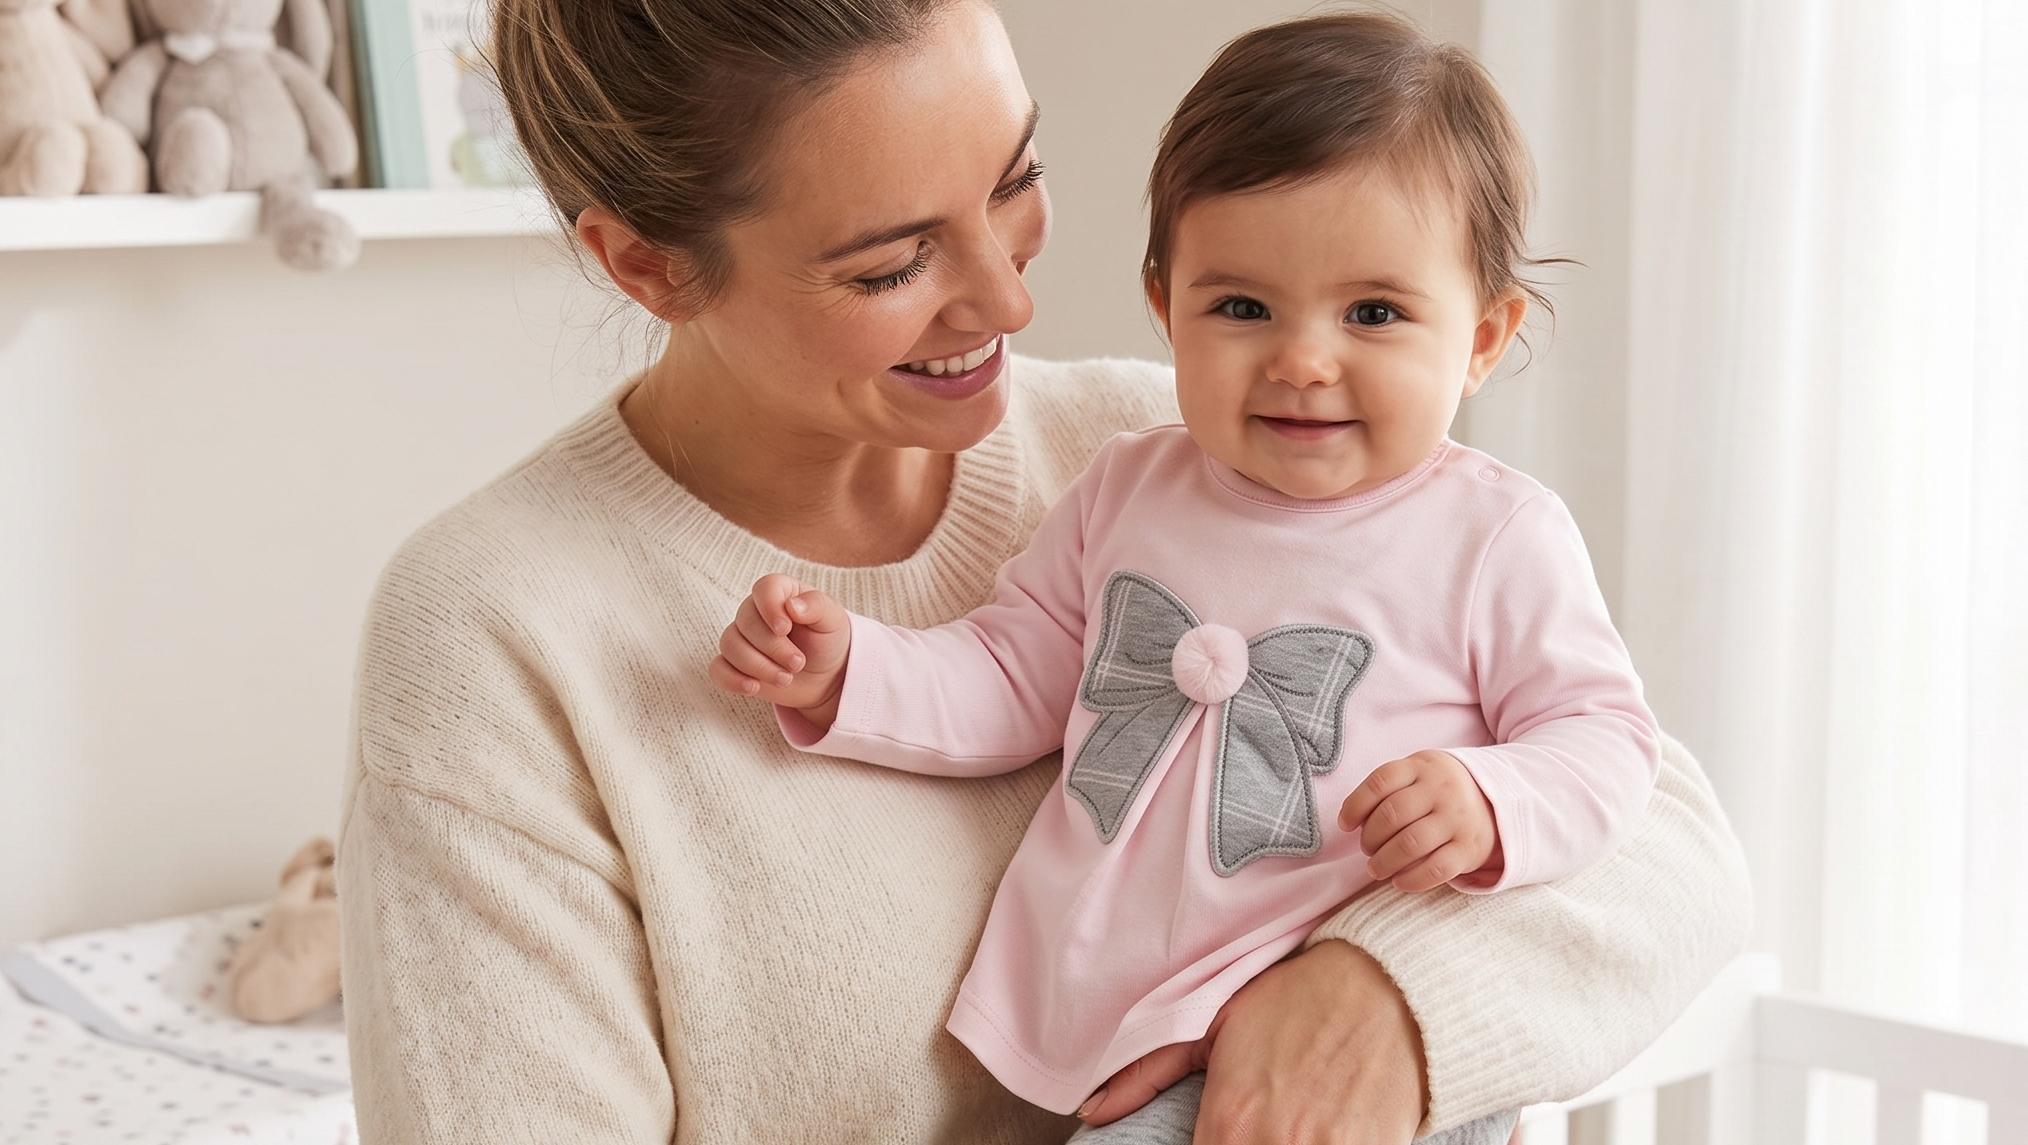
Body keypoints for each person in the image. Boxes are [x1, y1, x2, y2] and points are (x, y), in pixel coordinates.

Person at [336, 0, 1752, 1141]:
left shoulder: (1171, 443)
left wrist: (1383, 996)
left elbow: (1661, 830)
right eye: (890, 264)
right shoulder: (498, 635)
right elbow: (1001, 674)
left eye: (1015, 179)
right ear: (647, 264)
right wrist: (850, 673)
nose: (1012, 299)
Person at [711, 12, 1657, 1143]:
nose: (1302, 359)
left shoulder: (1492, 536)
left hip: (1334, 1043)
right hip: (1128, 1024)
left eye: (1373, 313)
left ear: (1483, 337)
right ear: (1165, 305)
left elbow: (1605, 739)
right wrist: (852, 670)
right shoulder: (1128, 486)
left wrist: (1491, 801)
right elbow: (1012, 672)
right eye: (1242, 307)